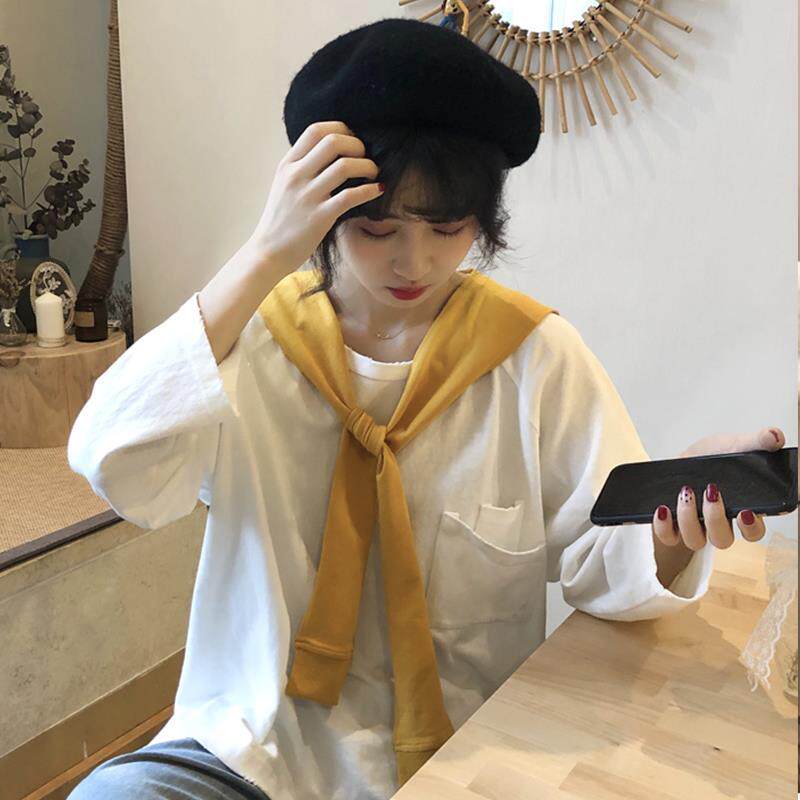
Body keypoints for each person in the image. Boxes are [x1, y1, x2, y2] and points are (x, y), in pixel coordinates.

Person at [65, 17, 783, 800]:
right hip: (252, 748)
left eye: (447, 227)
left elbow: (601, 561)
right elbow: (115, 461)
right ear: (323, 211)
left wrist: (669, 528)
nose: (415, 261)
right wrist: (265, 250)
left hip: (465, 754)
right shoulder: (252, 343)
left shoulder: (532, 357)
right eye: (377, 228)